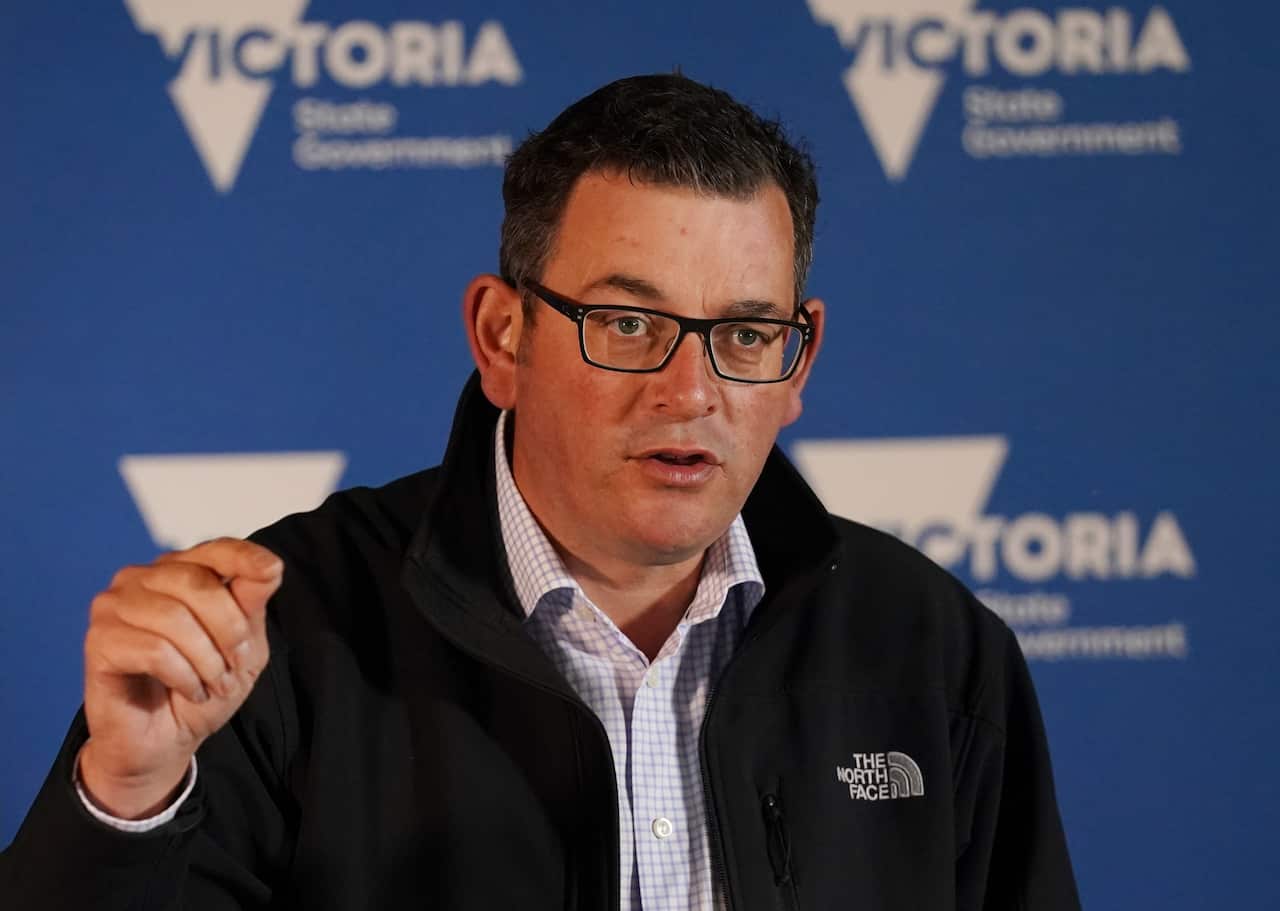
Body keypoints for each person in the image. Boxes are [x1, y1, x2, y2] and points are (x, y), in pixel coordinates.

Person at [0, 74, 1080, 909]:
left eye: (747, 333)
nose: (690, 390)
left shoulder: (931, 645)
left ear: (797, 362)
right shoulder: (279, 637)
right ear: (501, 336)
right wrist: (128, 801)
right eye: (628, 323)